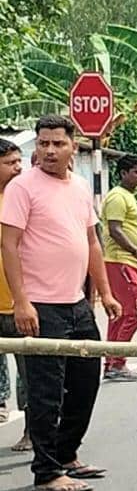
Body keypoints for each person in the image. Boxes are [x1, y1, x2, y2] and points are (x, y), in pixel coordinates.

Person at [1, 115, 122, 491]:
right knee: (45, 392)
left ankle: (67, 454)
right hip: (41, 305)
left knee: (86, 382)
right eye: (43, 144)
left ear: (73, 147)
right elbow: (8, 245)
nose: (49, 150)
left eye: (57, 143)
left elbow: (91, 242)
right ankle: (47, 471)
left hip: (77, 304)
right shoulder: (23, 188)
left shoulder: (81, 187)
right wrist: (22, 301)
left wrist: (104, 292)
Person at [101, 153, 137, 382]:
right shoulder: (117, 197)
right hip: (121, 260)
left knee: (119, 314)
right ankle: (117, 361)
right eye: (136, 172)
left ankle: (111, 361)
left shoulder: (126, 196)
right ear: (123, 173)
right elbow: (115, 229)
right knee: (135, 312)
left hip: (124, 262)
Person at [0, 138, 31, 450]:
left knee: (30, 372)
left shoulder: (22, 198)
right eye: (10, 163)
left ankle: (32, 429)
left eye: (19, 162)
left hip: (20, 301)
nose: (19, 169)